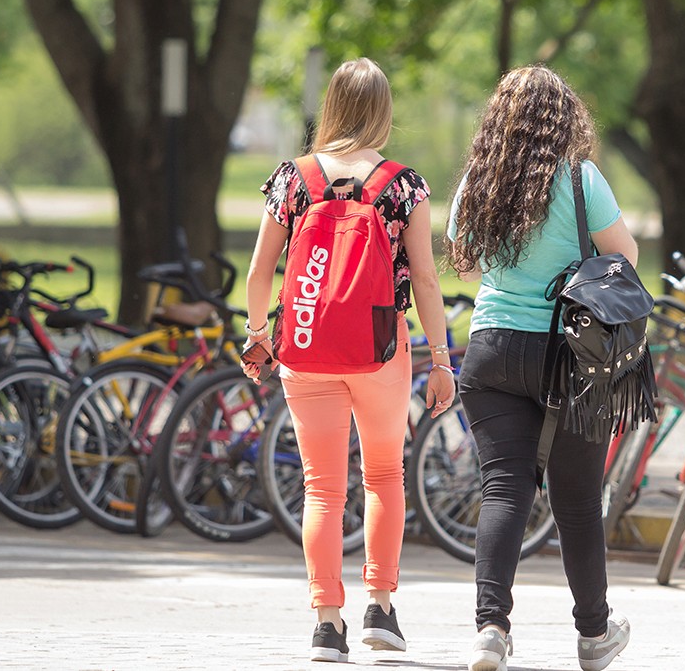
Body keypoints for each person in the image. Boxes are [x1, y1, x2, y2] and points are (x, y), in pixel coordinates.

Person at [240, 57, 456, 663]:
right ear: (383, 110)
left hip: (305, 346)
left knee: (321, 488)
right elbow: (427, 281)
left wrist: (259, 334)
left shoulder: (294, 178)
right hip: (381, 350)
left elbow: (259, 272)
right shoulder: (403, 185)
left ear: (331, 106)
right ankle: (380, 609)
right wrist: (441, 360)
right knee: (384, 475)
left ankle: (325, 624)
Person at [447, 65, 638, 671]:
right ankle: (594, 635)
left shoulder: (480, 178)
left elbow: (466, 264)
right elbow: (624, 255)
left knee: (503, 487)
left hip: (492, 349)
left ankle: (490, 630)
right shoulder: (581, 179)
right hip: (570, 356)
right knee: (576, 501)